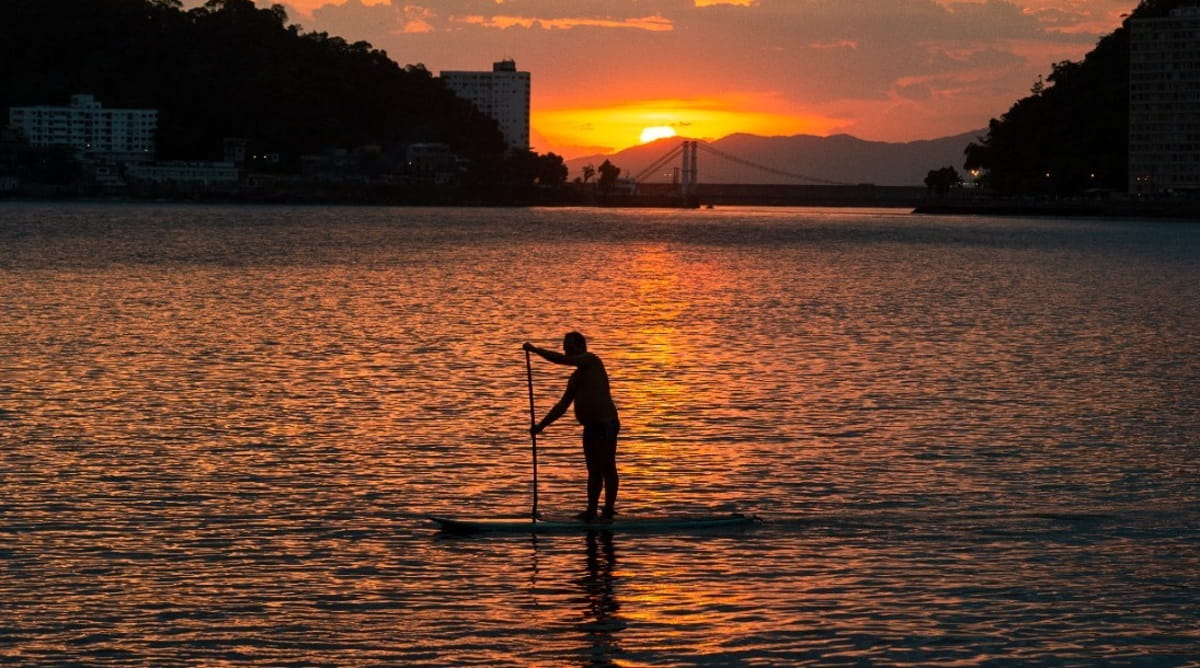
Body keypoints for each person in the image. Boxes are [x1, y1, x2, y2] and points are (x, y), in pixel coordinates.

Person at [524, 332, 620, 522]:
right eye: (565, 348)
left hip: (606, 424)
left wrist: (535, 350)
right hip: (590, 428)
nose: (567, 351)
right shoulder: (575, 378)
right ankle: (591, 511)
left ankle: (608, 510)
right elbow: (562, 406)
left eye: (570, 348)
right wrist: (540, 426)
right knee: (593, 471)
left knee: (607, 467)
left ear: (581, 347)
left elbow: (560, 360)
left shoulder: (591, 360)